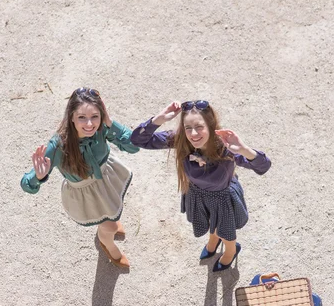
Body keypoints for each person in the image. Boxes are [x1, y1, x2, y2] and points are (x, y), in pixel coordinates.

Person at [131, 101, 271, 271]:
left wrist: (243, 149)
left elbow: (263, 167)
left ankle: (231, 250)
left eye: (199, 126)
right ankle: (213, 240)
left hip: (222, 198)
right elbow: (138, 140)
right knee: (212, 224)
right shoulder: (180, 140)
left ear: (211, 126)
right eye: (188, 127)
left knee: (225, 231)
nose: (193, 133)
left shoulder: (224, 147)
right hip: (197, 195)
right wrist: (159, 119)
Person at [20, 88, 139, 269]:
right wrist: (38, 176)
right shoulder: (58, 145)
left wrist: (110, 123)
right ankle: (107, 242)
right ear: (72, 117)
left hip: (107, 178)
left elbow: (133, 146)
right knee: (110, 227)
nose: (90, 124)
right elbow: (26, 183)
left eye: (95, 116)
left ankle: (108, 223)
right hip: (85, 193)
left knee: (111, 212)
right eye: (82, 117)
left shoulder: (102, 127)